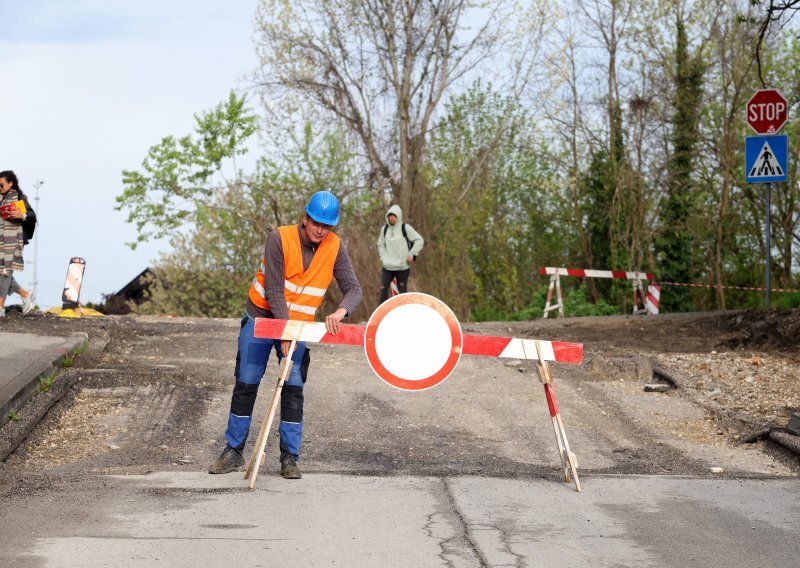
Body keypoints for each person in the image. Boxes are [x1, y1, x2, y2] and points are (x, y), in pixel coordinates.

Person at [209, 190, 362, 479]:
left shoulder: (335, 247)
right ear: (305, 218)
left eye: (326, 225)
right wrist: (283, 331)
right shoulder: (278, 238)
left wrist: (341, 311)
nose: (320, 229)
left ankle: (289, 458)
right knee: (246, 383)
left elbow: (354, 290)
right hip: (262, 318)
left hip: (299, 326)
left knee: (293, 389)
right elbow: (274, 290)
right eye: (316, 222)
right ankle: (233, 451)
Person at [0, 171, 36, 318]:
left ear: (10, 183)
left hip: (13, 241)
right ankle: (25, 295)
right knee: (2, 272)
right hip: (1, 241)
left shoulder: (19, 198)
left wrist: (23, 216)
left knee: (5, 272)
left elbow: (32, 216)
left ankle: (0, 307)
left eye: (1, 184)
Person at [377, 204, 424, 303]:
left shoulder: (405, 228)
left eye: (394, 216)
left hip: (402, 267)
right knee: (382, 294)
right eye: (390, 216)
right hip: (387, 267)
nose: (392, 218)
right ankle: (383, 316)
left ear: (398, 217)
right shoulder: (384, 230)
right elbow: (380, 244)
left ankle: (403, 316)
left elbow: (419, 240)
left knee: (402, 296)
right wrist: (383, 258)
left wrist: (412, 253)